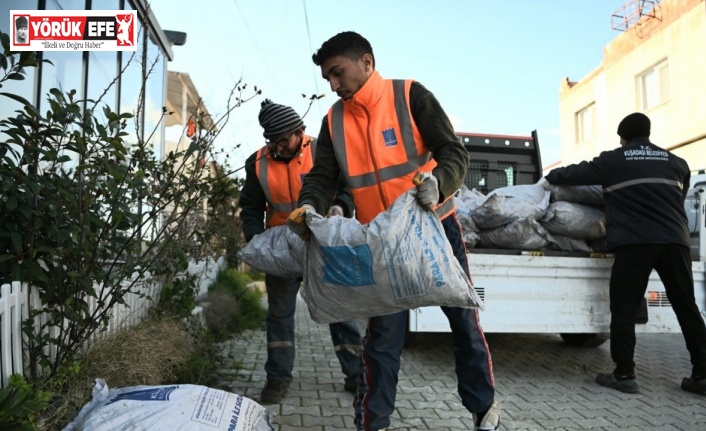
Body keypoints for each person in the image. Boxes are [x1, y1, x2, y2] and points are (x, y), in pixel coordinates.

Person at [286, 31, 500, 431]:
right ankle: (373, 423)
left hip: (435, 228)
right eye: (327, 79)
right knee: (382, 340)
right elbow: (321, 177)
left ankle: (483, 410)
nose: (334, 85)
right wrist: (309, 207)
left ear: (366, 62)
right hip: (379, 241)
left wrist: (440, 183)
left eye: (338, 73)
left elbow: (453, 151)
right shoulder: (333, 120)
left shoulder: (410, 95)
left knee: (464, 323)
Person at [543, 112, 706, 395]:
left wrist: (550, 176)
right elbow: (678, 200)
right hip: (675, 241)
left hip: (635, 241)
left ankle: (624, 374)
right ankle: (703, 375)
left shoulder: (615, 159)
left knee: (624, 307)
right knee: (687, 307)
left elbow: (572, 174)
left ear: (622, 136)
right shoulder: (677, 163)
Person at [238, 99, 363, 404]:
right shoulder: (257, 162)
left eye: (284, 139)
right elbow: (251, 207)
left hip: (325, 242)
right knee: (279, 315)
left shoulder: (325, 149)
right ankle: (278, 378)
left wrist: (339, 207)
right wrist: (256, 241)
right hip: (282, 248)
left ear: (299, 132)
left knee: (341, 310)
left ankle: (357, 376)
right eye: (273, 141)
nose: (279, 146)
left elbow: (348, 187)